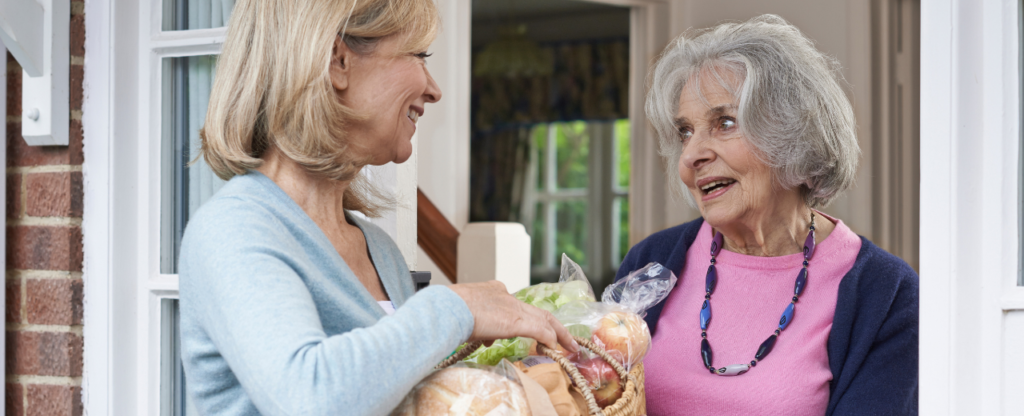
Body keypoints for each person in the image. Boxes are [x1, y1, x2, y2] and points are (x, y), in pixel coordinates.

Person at [178, 1, 576, 415]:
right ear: (338, 61)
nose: (433, 88)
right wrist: (457, 309)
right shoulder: (235, 229)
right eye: (419, 55)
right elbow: (310, 399)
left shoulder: (378, 248)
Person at [617, 15, 918, 415]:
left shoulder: (884, 293)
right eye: (685, 132)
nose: (691, 156)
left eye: (725, 123)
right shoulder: (652, 262)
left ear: (793, 134)